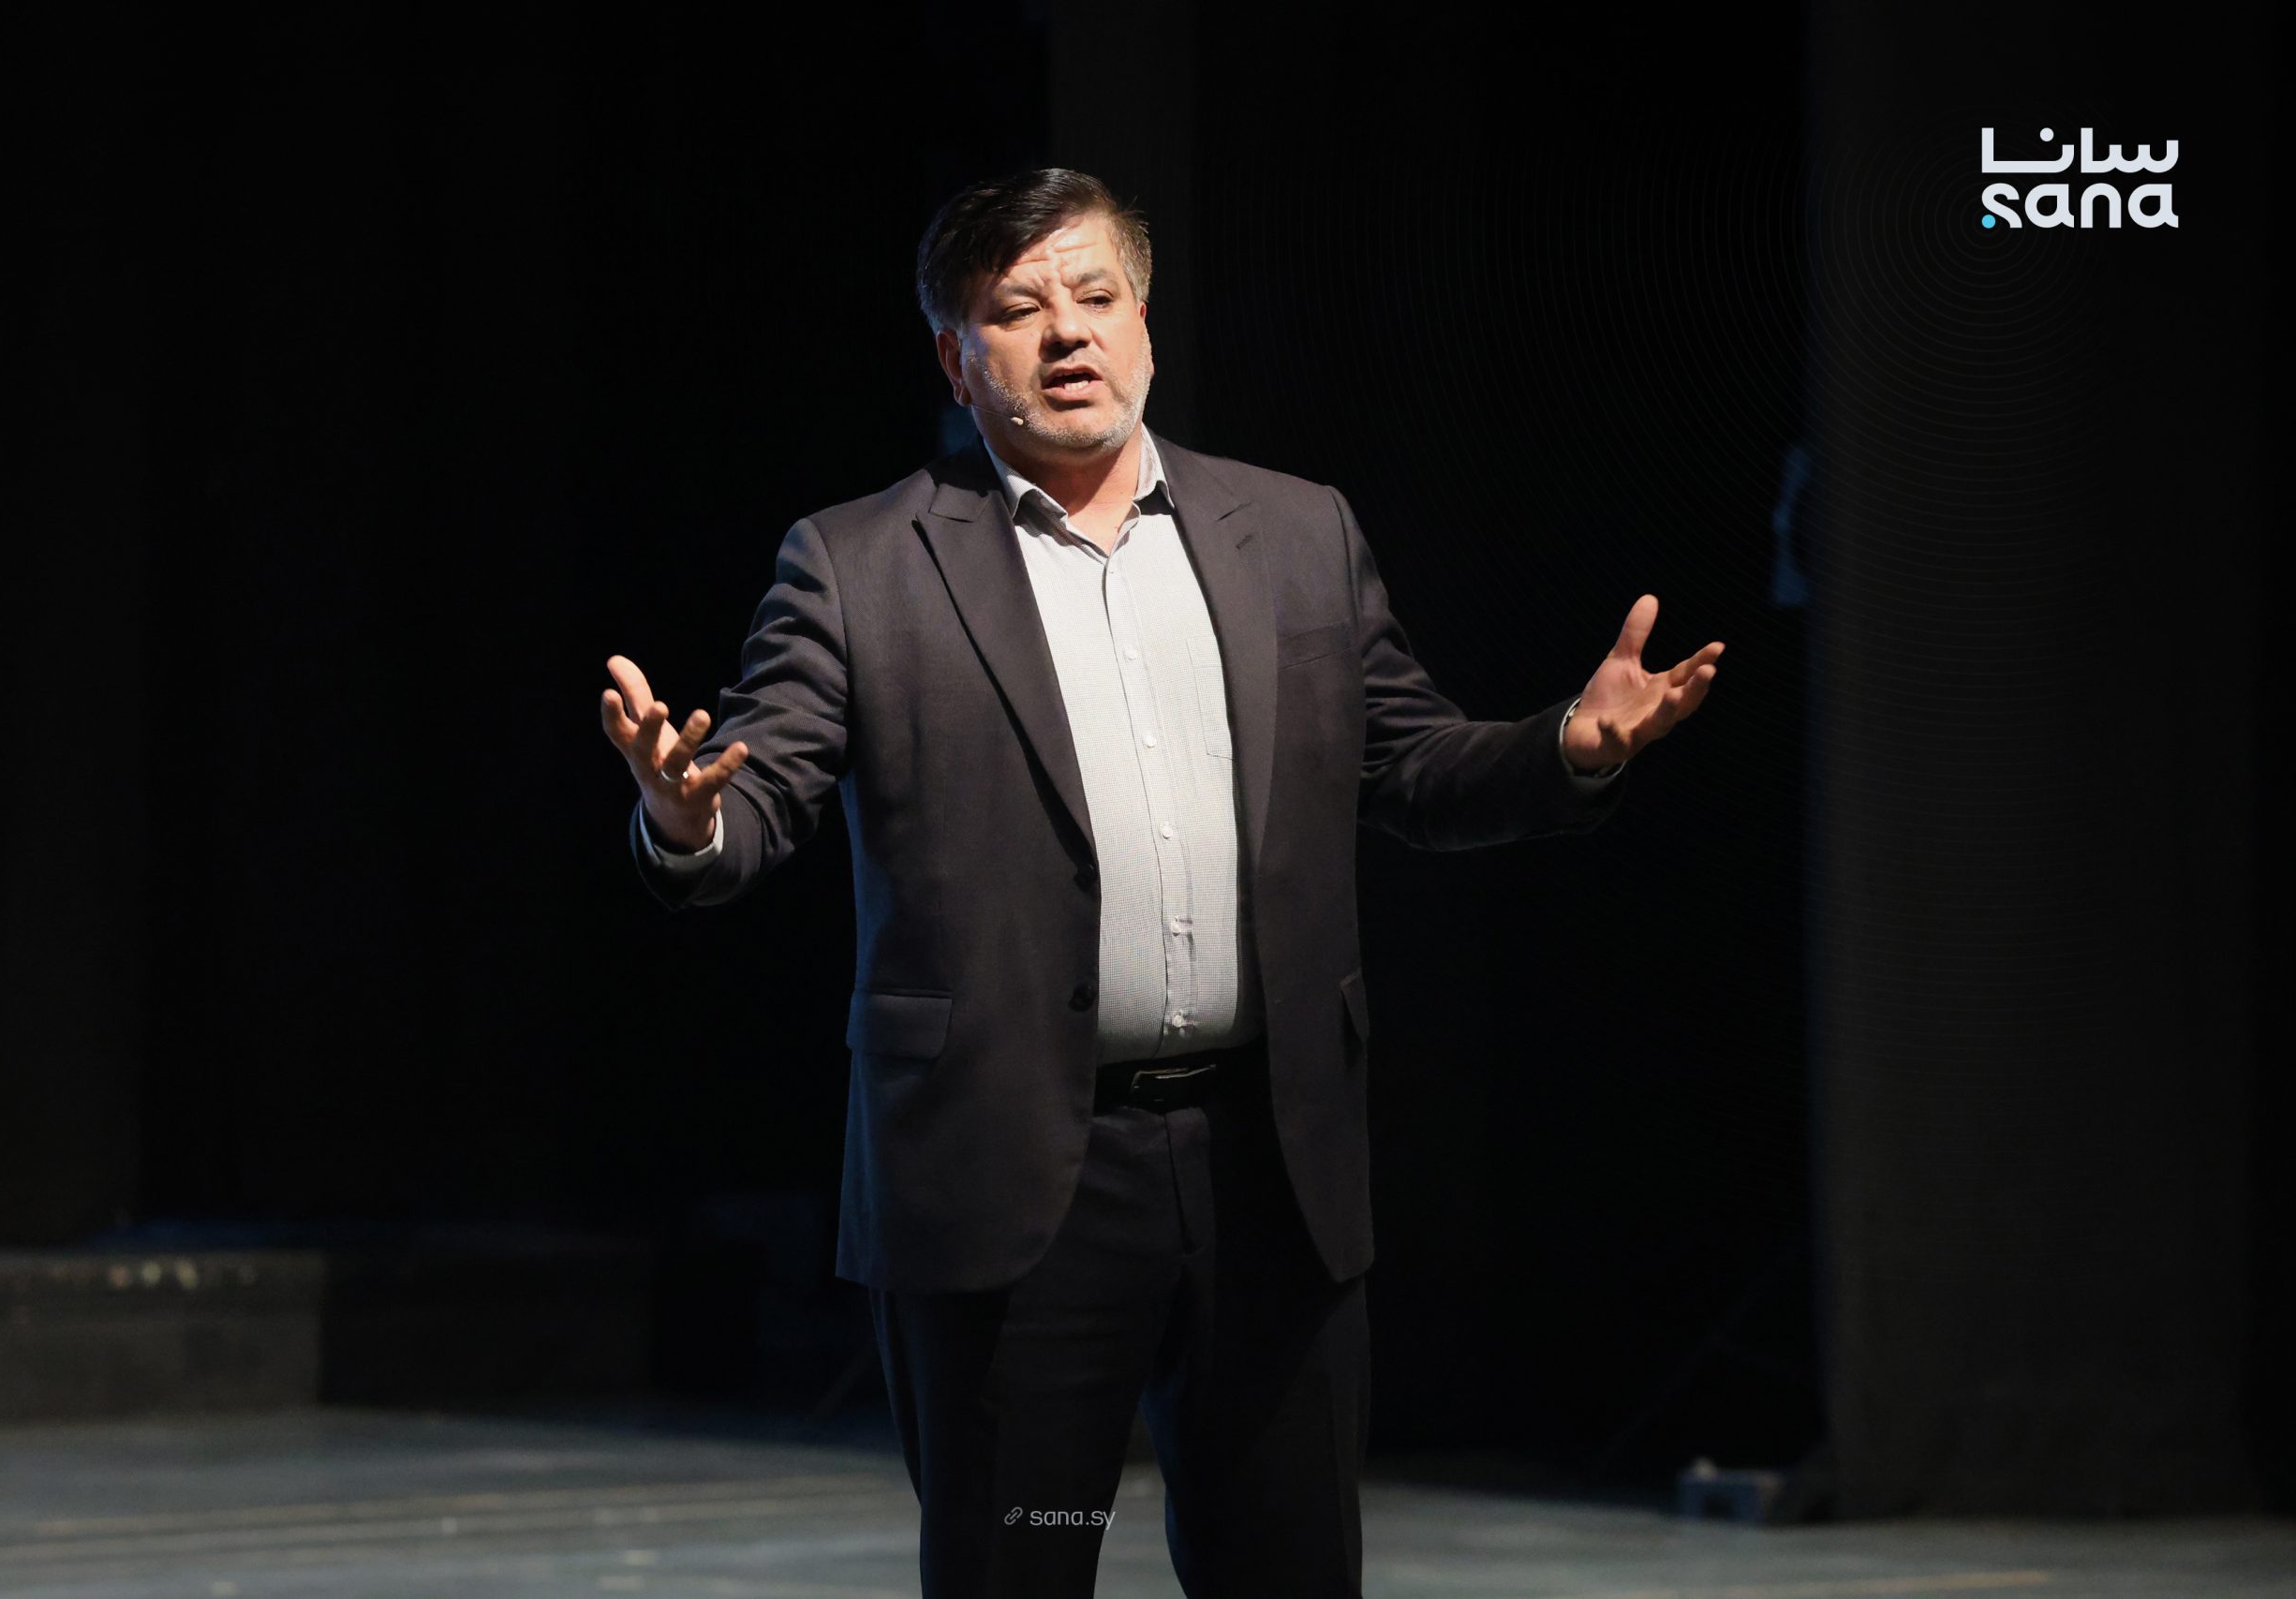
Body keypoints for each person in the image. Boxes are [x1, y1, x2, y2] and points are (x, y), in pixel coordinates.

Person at [599, 168, 1723, 1599]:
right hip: (1013, 1175)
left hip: (1270, 1166)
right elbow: (758, 800)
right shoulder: (862, 563)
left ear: (1145, 321)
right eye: (1018, 308)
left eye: (1096, 295)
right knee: (1020, 1568)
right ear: (955, 357)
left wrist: (1565, 749)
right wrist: (684, 818)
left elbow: (1415, 766)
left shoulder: (1297, 531)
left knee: (1288, 1573)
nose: (1066, 331)